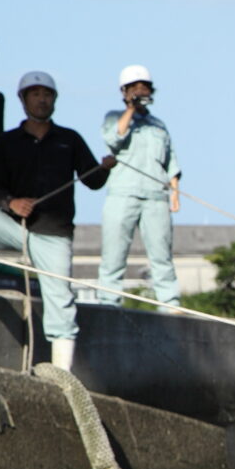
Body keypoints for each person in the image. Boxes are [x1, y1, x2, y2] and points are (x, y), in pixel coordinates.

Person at [0, 71, 113, 370]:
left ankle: (62, 375)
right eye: (35, 94)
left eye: (46, 94)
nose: (42, 99)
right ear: (23, 100)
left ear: (55, 99)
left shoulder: (69, 139)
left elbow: (93, 181)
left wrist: (105, 168)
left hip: (53, 233)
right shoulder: (7, 142)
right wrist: (11, 202)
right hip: (12, 227)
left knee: (60, 301)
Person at [98, 63, 182, 309]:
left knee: (162, 257)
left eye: (144, 88)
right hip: (122, 194)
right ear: (124, 92)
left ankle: (170, 304)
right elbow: (114, 138)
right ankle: (108, 303)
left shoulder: (159, 125)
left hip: (156, 196)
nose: (140, 92)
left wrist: (174, 192)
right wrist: (131, 110)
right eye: (134, 88)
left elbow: (171, 159)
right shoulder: (113, 116)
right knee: (113, 255)